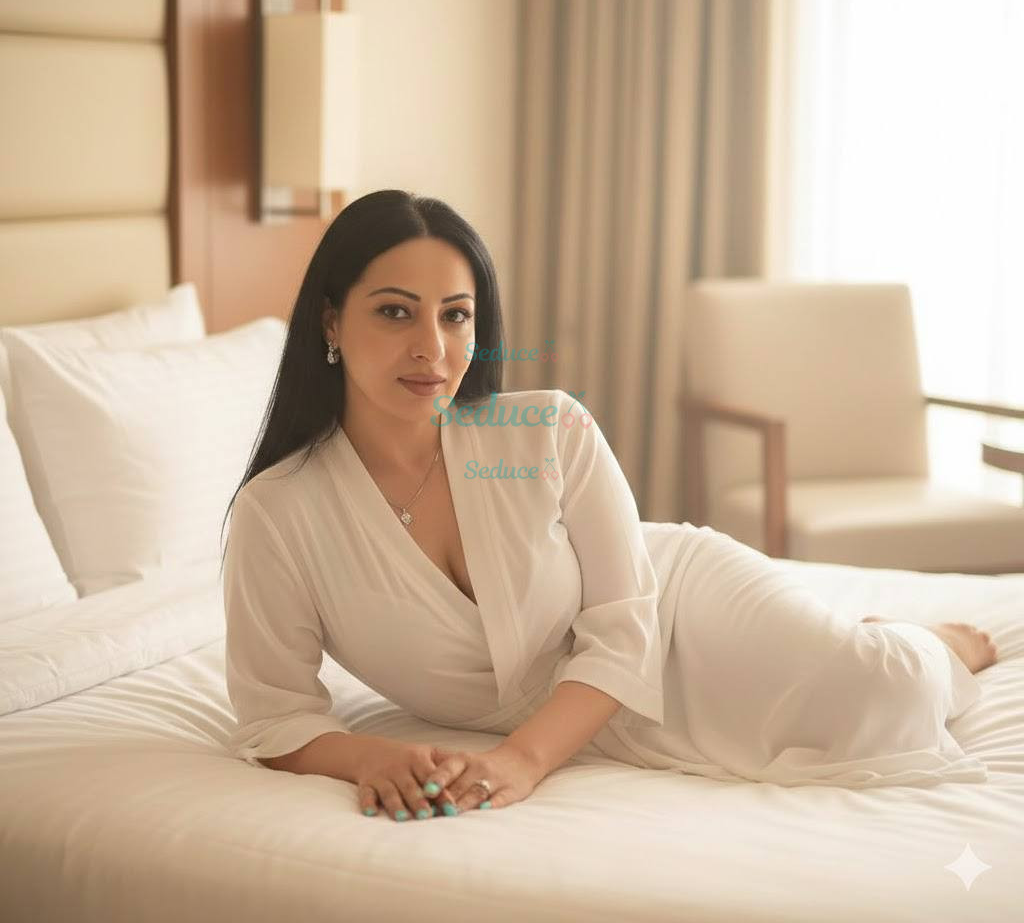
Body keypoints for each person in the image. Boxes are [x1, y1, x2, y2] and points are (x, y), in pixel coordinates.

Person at [221, 189, 999, 823]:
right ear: (331, 321)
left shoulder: (547, 427)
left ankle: (929, 643)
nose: (433, 347)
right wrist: (372, 757)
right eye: (396, 312)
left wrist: (523, 759)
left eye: (455, 315)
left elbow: (626, 620)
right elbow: (276, 714)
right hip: (583, 711)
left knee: (883, 688)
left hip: (673, 606)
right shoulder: (278, 516)